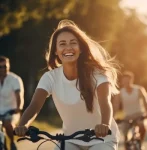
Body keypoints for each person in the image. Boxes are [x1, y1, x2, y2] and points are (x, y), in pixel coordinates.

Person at [14, 19, 120, 150]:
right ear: (55, 51)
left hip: (102, 139)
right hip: (71, 140)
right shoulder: (50, 77)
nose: (68, 47)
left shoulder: (97, 73)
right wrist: (23, 125)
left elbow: (105, 102)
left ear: (81, 49)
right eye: (62, 44)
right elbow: (35, 105)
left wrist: (104, 125)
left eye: (73, 43)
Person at [113, 71, 147, 149]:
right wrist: (113, 117)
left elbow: (145, 102)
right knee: (125, 133)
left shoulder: (139, 89)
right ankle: (127, 146)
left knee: (142, 126)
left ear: (132, 80)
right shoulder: (120, 93)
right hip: (127, 116)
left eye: (128, 80)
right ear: (122, 81)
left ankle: (140, 143)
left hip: (139, 114)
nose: (126, 82)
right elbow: (115, 106)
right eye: (124, 80)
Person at [0, 56, 24, 150]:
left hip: (12, 110)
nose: (2, 69)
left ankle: (12, 142)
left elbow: (19, 95)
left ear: (8, 66)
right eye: (0, 67)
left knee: (7, 123)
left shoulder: (15, 79)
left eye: (4, 66)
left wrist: (18, 108)